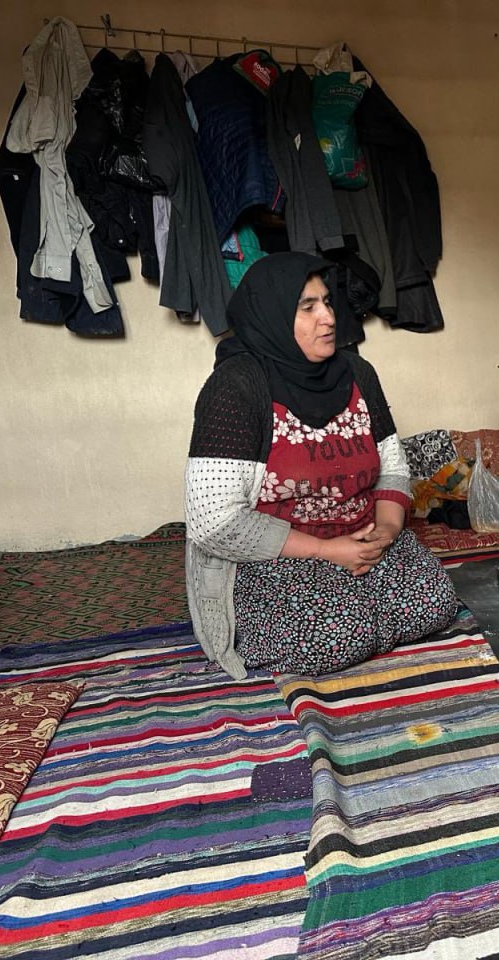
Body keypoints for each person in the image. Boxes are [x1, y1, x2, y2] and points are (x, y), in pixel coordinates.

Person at [184, 251, 459, 678]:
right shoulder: (237, 386)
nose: (328, 318)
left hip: (363, 534)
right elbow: (212, 522)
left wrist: (386, 530)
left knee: (434, 604)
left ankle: (361, 609)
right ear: (271, 314)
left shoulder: (356, 372)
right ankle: (349, 614)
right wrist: (328, 552)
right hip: (279, 555)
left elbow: (392, 465)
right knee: (336, 635)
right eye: (307, 307)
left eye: (328, 303)